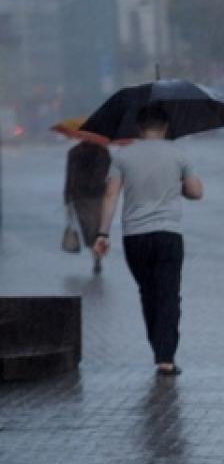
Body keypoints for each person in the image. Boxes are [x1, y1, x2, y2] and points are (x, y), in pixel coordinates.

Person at [93, 102, 204, 376]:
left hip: (135, 237)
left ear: (139, 127)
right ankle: (165, 356)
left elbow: (110, 196)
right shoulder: (179, 154)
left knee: (148, 293)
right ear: (165, 126)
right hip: (168, 234)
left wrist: (102, 233)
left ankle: (158, 346)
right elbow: (196, 192)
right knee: (168, 295)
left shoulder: (122, 156)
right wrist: (177, 185)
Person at [63, 139, 111, 273]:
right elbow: (109, 173)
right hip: (98, 195)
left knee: (89, 230)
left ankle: (96, 255)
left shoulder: (74, 152)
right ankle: (98, 257)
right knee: (98, 229)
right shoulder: (103, 152)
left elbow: (70, 176)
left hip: (80, 196)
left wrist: (67, 196)